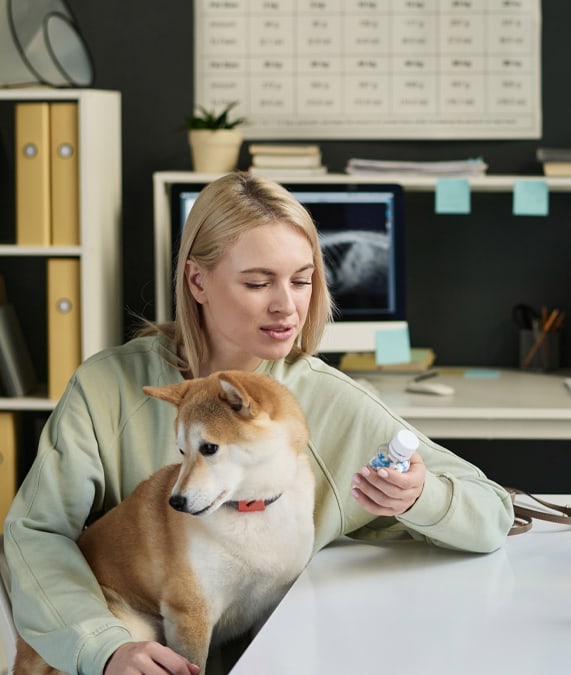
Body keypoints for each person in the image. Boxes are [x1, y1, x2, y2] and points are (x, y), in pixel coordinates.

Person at [4, 172, 515, 675]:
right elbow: (35, 535)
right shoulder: (106, 386)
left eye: (302, 280)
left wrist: (417, 496)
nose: (286, 306)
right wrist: (105, 647)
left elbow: (490, 511)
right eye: (257, 282)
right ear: (197, 280)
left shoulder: (324, 398)